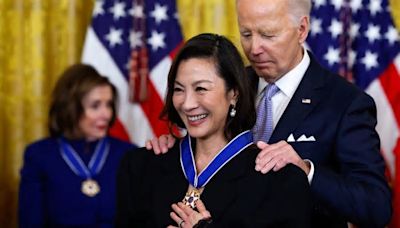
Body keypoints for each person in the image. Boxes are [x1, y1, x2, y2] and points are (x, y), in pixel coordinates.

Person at [146, 0, 392, 227]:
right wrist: (174, 147)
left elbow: (376, 207)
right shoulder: (229, 86)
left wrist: (306, 170)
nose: (254, 48)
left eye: (268, 35)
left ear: (302, 29)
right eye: (246, 34)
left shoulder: (345, 102)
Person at [115, 33, 312, 227]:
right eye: (178, 89)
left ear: (234, 93)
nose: (187, 104)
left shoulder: (280, 182)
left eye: (201, 88)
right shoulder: (141, 166)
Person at [18, 63, 136, 227]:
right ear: (70, 108)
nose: (106, 114)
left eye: (108, 104)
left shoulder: (129, 154)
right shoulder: (39, 156)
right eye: (95, 106)